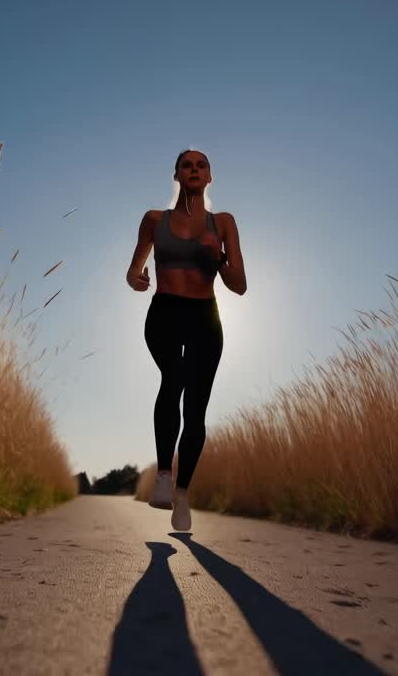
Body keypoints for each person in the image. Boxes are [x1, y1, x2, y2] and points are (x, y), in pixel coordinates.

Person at [125, 148, 248, 531]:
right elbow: (132, 271)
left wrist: (219, 259)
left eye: (201, 165)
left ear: (210, 177)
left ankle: (181, 493)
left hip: (204, 318)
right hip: (163, 313)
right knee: (173, 379)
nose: (194, 169)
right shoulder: (153, 220)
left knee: (196, 408)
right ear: (176, 175)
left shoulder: (223, 223)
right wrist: (139, 279)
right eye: (186, 165)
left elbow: (239, 286)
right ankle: (163, 474)